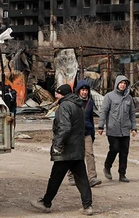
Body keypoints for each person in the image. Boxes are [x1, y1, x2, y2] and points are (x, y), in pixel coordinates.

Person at [30, 84, 93, 216]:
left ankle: (46, 203)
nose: (56, 96)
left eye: (57, 94)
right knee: (82, 178)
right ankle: (87, 206)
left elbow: (64, 128)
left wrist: (58, 146)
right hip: (77, 148)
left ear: (62, 94)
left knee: (56, 178)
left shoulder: (64, 106)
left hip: (66, 149)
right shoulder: (78, 105)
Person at [98, 75, 137, 183]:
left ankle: (122, 174)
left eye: (125, 83)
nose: (123, 85)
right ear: (117, 84)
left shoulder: (129, 98)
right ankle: (107, 166)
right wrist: (101, 126)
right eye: (121, 83)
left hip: (125, 130)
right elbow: (104, 112)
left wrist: (134, 128)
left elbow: (132, 114)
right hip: (112, 129)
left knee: (124, 152)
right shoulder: (109, 96)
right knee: (114, 149)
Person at [68, 80, 102, 187]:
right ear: (78, 91)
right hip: (75, 133)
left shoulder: (90, 103)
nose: (84, 92)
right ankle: (71, 176)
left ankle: (92, 177)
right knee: (75, 154)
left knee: (89, 154)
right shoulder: (73, 102)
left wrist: (92, 133)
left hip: (87, 132)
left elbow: (91, 119)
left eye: (86, 90)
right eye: (82, 90)